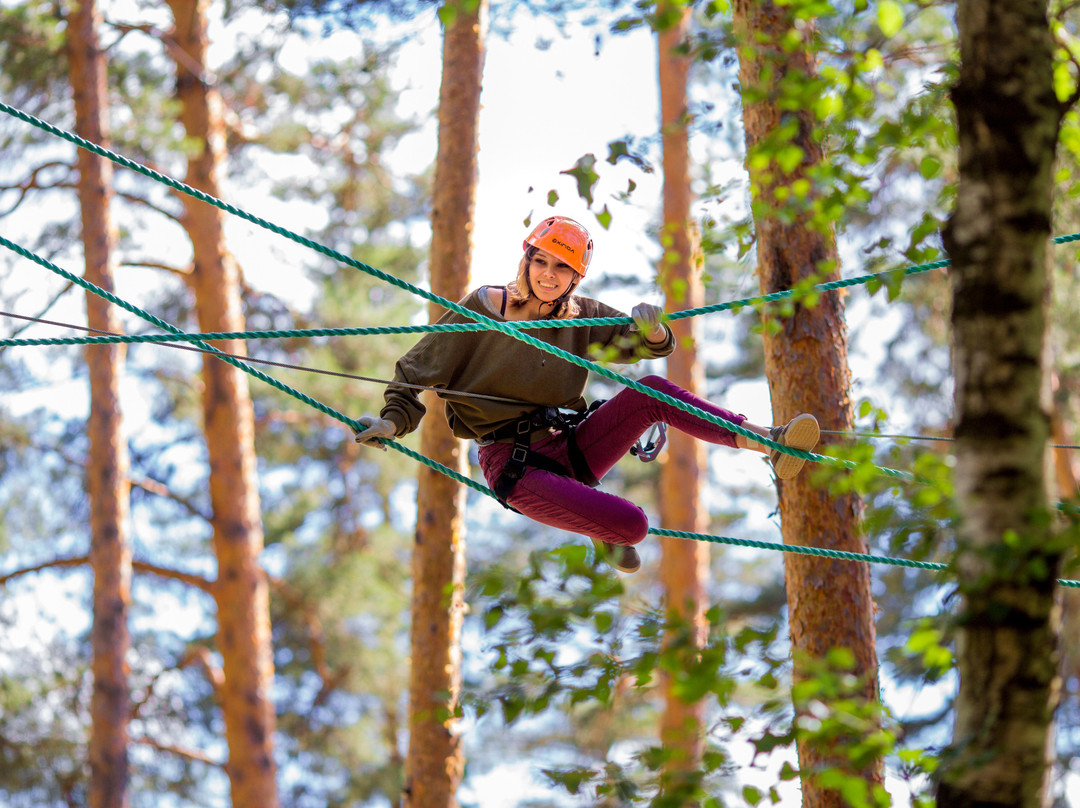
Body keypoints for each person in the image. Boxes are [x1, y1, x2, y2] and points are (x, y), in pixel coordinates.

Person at [353, 216, 820, 574]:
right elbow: (417, 370)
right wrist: (391, 423)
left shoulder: (580, 315)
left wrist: (653, 331)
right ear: (527, 260)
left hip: (572, 443)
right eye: (541, 262)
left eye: (561, 268)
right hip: (515, 464)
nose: (548, 275)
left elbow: (639, 344)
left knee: (653, 392)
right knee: (633, 526)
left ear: (575, 277)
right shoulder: (482, 308)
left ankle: (765, 440)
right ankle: (598, 530)